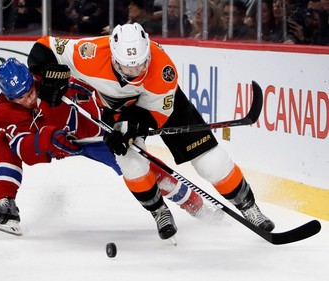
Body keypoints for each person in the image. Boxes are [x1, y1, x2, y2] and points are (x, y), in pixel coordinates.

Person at [27, 22, 275, 239]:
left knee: (211, 162)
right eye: (127, 67)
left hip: (163, 108)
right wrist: (48, 74)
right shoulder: (89, 54)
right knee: (131, 162)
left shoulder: (162, 71)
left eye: (140, 65)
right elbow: (43, 48)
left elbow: (157, 115)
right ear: (113, 57)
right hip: (116, 111)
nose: (135, 72)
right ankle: (159, 212)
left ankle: (250, 208)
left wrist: (132, 125)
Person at [0, 58, 222, 237]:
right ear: (7, 97)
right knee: (4, 142)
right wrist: (49, 139)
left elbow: (92, 90)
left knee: (145, 170)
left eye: (30, 90)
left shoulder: (50, 79)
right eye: (20, 97)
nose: (29, 99)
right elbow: (26, 151)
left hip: (96, 135)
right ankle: (6, 204)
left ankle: (197, 207)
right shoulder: (5, 113)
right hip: (55, 141)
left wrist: (120, 121)